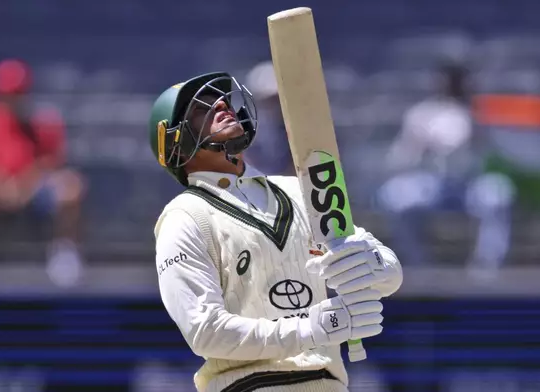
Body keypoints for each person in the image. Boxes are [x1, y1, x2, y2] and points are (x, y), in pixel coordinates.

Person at [148, 72, 403, 392]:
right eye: (202, 109)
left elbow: (390, 275)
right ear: (173, 139)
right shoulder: (184, 216)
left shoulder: (301, 190)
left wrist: (371, 264)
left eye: (223, 100)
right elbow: (205, 332)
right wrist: (313, 328)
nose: (223, 106)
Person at [377, 61, 515, 279]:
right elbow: (401, 156)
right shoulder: (422, 114)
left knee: (497, 195)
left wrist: (476, 128)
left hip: (469, 186)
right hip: (432, 184)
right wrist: (422, 148)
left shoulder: (479, 113)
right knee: (398, 198)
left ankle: (485, 267)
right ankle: (419, 267)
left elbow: (497, 152)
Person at [0, 58, 85, 276]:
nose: (11, 98)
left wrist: (24, 185)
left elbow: (51, 163)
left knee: (71, 186)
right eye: (6, 93)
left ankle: (64, 253)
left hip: (30, 190)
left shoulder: (41, 124)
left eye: (17, 93)